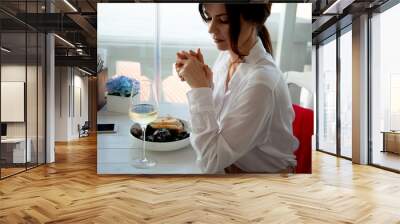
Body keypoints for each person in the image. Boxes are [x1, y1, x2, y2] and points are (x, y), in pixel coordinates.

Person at [175, 3, 299, 174]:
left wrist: (199, 91)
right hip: (230, 166)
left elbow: (211, 161)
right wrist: (205, 83)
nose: (211, 29)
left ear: (253, 20)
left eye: (224, 20)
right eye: (209, 17)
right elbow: (221, 124)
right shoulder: (227, 57)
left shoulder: (261, 83)